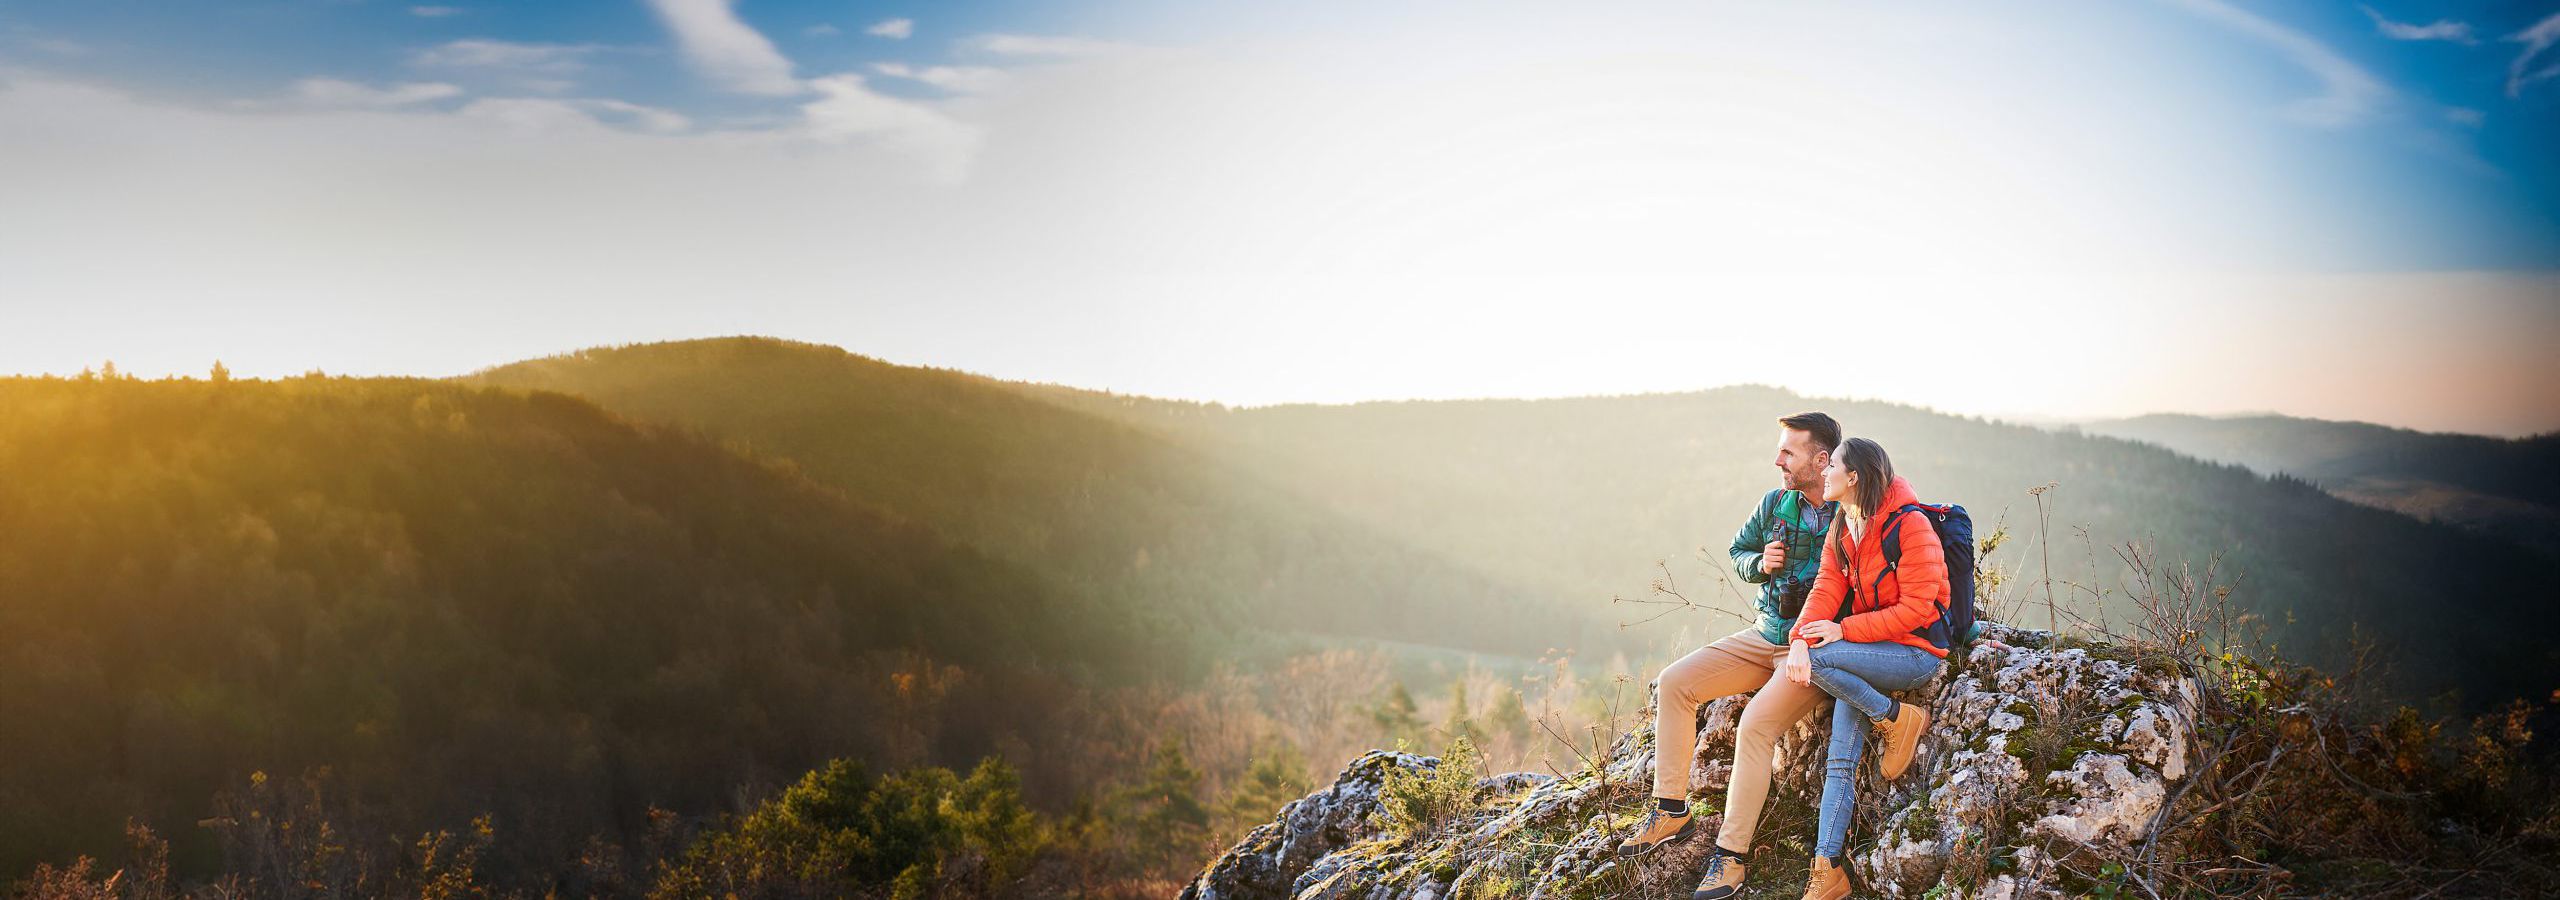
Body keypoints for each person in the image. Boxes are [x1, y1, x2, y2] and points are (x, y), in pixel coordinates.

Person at [1614, 412, 1842, 900]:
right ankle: (1671, 812)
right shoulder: (1774, 504)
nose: (1777, 459)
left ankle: (1730, 858)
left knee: (1755, 726)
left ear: (1822, 460)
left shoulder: (1852, 514)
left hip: (1810, 651)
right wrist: (1760, 564)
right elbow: (1738, 551)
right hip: (1764, 635)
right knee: (1675, 683)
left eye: (1789, 452)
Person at [1782, 437, 1951, 900]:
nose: (1825, 472)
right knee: (1841, 758)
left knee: (1817, 659)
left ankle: (1898, 717)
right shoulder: (1844, 523)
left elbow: (1918, 608)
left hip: (1914, 654)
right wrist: (1800, 638)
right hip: (1867, 654)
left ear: (1852, 477)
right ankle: (1828, 870)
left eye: (1832, 465)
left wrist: (1841, 633)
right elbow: (1825, 588)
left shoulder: (1910, 525)